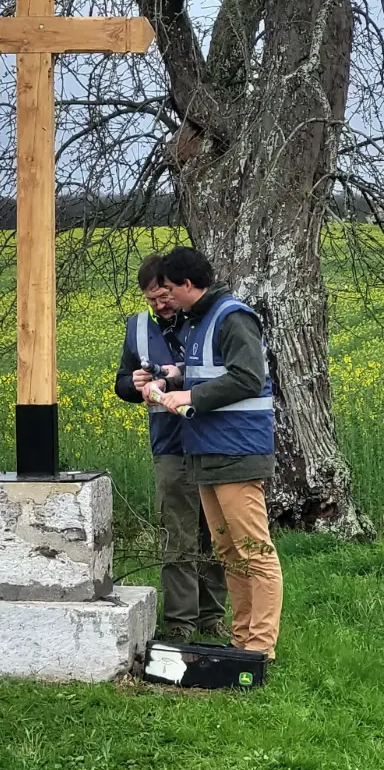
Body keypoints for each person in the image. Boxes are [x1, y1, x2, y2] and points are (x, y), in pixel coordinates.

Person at [156, 246, 283, 661]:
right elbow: (215, 372)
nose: (168, 297)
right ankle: (242, 640)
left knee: (257, 553)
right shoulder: (199, 322)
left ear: (189, 284)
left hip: (237, 452)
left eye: (172, 289)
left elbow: (248, 378)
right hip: (208, 454)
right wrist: (176, 377)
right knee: (229, 552)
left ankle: (261, 647)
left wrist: (189, 393)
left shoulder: (232, 317)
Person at [115, 254, 228, 642]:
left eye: (165, 295)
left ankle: (212, 617)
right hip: (170, 443)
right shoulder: (138, 328)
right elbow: (122, 384)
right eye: (152, 300)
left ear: (179, 286)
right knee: (177, 535)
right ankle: (181, 623)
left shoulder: (204, 319)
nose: (161, 305)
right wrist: (135, 383)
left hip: (213, 439)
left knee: (214, 533)